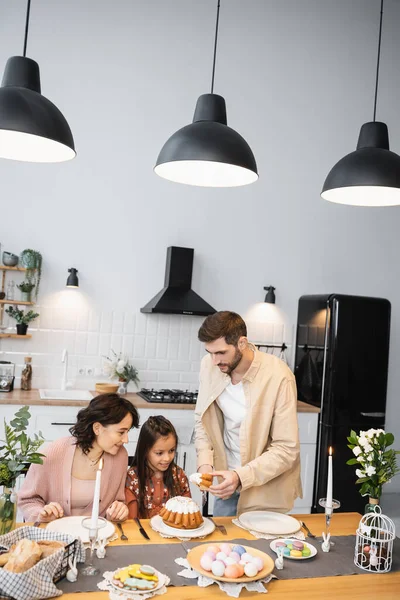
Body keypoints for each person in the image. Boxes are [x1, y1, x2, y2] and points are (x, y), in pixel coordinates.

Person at [195, 311, 302, 517]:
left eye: (221, 353)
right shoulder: (209, 366)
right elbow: (202, 420)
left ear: (242, 343)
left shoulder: (279, 376)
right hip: (226, 484)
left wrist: (241, 476)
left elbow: (286, 449)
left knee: (259, 547)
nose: (215, 361)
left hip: (266, 490)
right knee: (224, 548)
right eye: (210, 352)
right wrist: (205, 462)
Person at [18, 393, 139, 523]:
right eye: (121, 432)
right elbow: (28, 500)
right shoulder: (55, 452)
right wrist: (42, 514)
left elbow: (117, 502)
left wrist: (118, 511)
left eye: (127, 432)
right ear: (97, 428)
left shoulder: (120, 457)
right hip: (56, 536)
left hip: (98, 538)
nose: (126, 440)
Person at [125, 415, 191, 518]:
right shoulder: (132, 478)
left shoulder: (179, 475)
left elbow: (188, 514)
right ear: (145, 451)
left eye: (171, 451)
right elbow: (131, 523)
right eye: (159, 453)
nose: (167, 458)